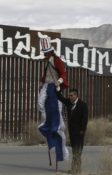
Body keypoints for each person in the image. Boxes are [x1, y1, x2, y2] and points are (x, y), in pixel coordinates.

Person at [37, 37, 69, 166]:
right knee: (40, 103)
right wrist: (41, 81)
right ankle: (45, 120)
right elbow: (46, 76)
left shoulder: (57, 60)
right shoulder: (47, 62)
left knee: (56, 109)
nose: (44, 54)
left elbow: (63, 74)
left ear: (50, 52)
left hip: (54, 86)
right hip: (46, 85)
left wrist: (59, 83)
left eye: (46, 52)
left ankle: (53, 127)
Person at [56, 88, 88, 174]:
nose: (69, 97)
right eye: (69, 95)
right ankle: (76, 169)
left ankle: (76, 170)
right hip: (72, 133)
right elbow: (60, 98)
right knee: (75, 152)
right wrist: (58, 89)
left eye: (71, 95)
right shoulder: (69, 102)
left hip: (79, 133)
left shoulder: (83, 105)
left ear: (76, 95)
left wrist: (82, 131)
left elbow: (85, 119)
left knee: (77, 152)